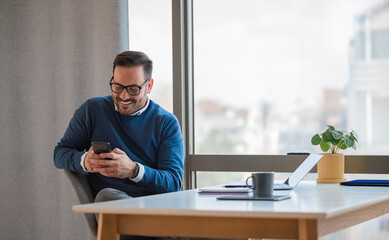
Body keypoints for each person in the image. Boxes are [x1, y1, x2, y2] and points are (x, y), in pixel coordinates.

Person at [54, 51, 184, 206]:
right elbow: (60, 153)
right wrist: (85, 161)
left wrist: (134, 170)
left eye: (133, 89)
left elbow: (173, 182)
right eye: (118, 86)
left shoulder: (166, 123)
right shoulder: (92, 110)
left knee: (109, 200)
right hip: (110, 206)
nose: (124, 96)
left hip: (151, 209)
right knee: (107, 197)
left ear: (149, 86)